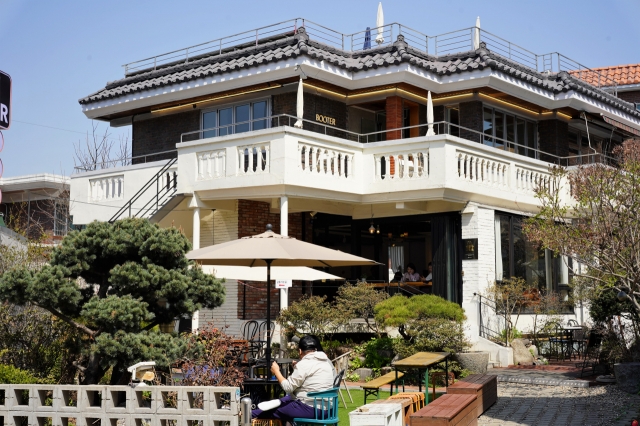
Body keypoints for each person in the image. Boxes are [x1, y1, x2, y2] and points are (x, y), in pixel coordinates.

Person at [252, 335, 335, 422]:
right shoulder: (325, 362)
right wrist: (297, 368)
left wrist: (276, 371)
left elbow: (288, 387)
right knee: (284, 402)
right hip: (328, 410)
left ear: (300, 351)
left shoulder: (304, 364)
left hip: (311, 410)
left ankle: (248, 415)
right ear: (315, 349)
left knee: (272, 410)